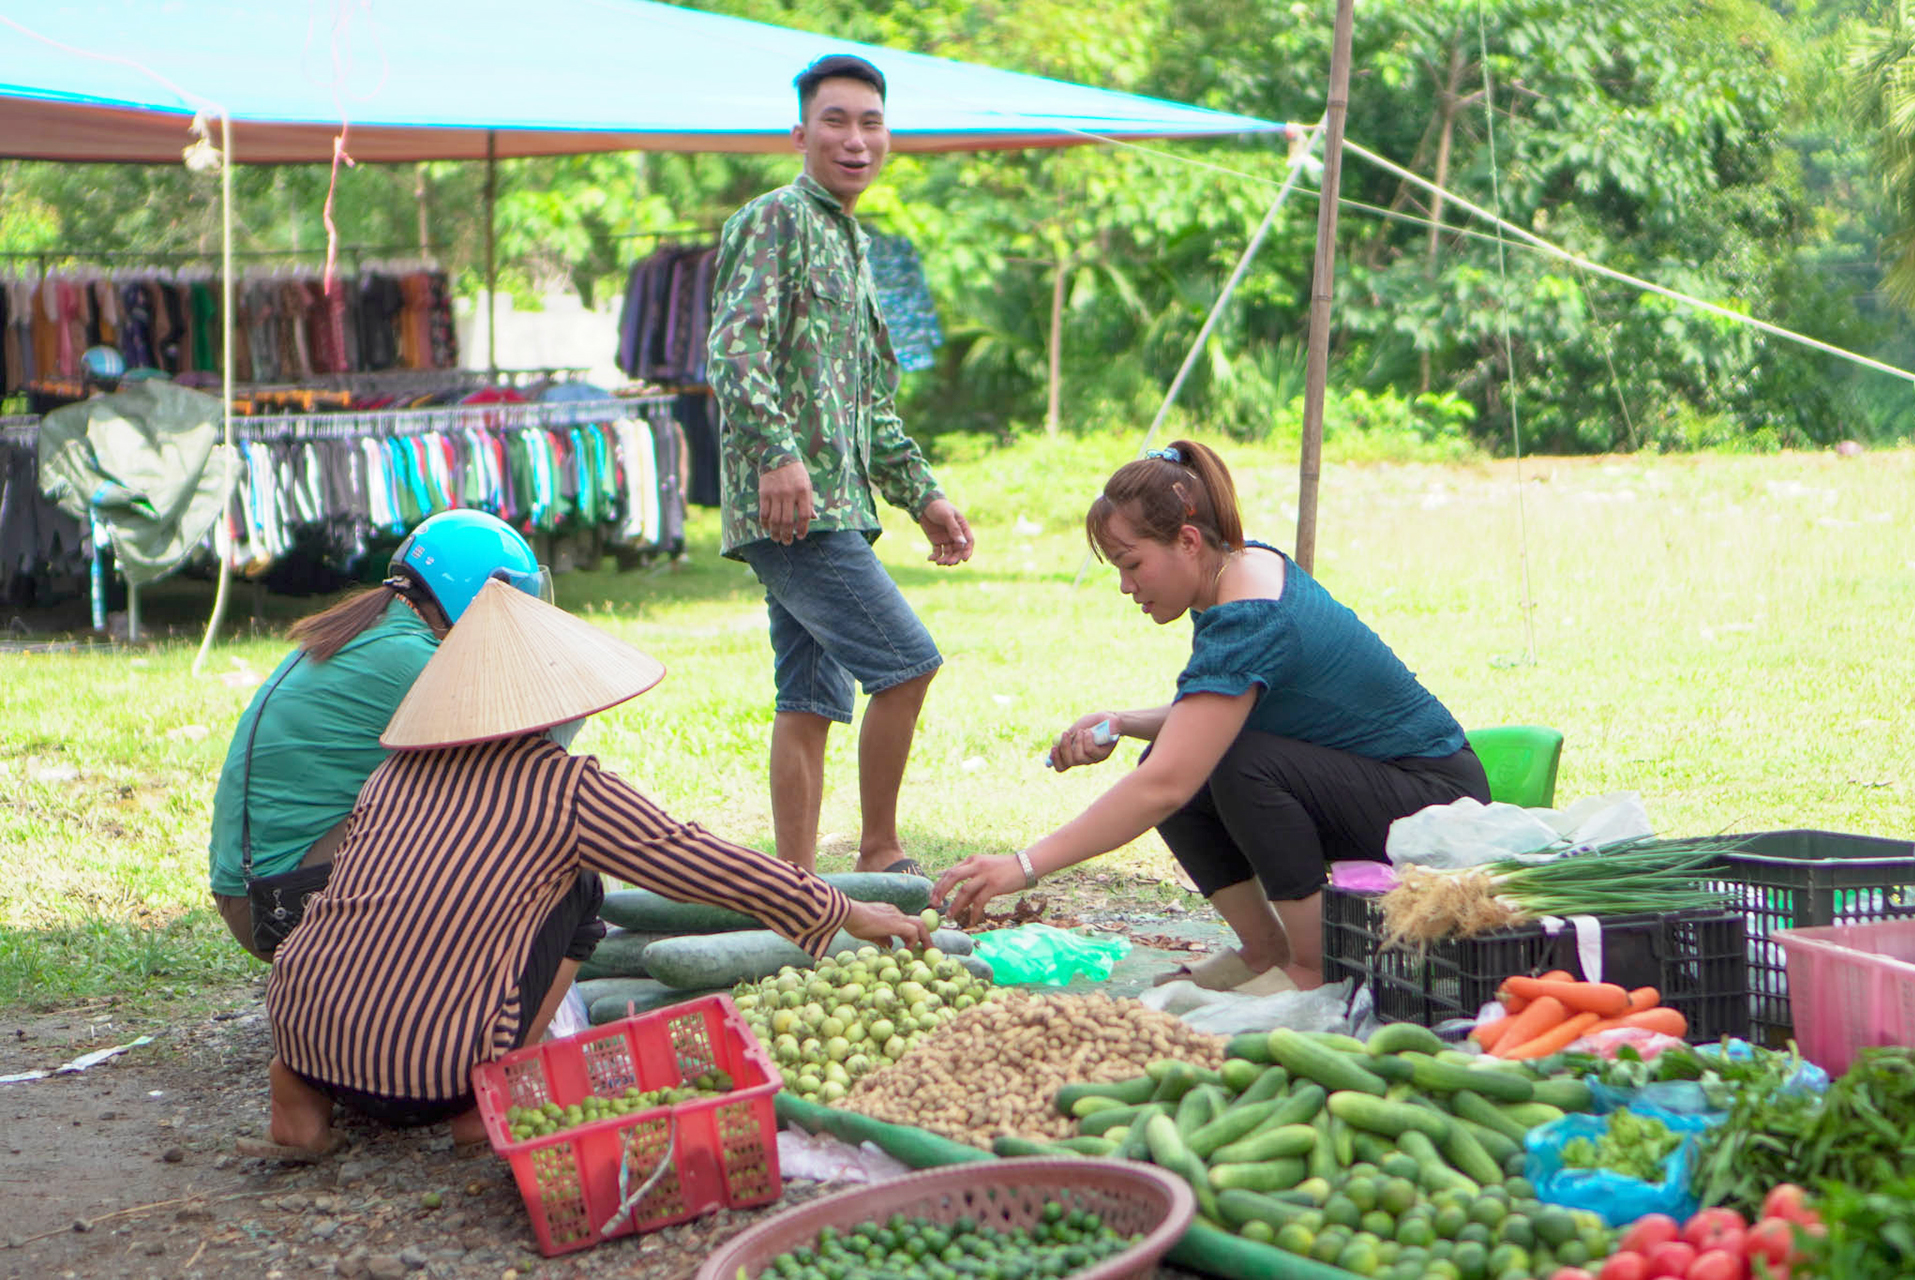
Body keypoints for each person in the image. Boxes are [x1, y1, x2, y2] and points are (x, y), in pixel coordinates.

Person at [254, 579, 930, 1158]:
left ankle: (300, 1102)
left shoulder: (390, 777)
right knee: (581, 892)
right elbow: (699, 862)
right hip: (438, 1074)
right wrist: (840, 909)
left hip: (305, 1031)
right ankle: (487, 1096)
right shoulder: (565, 787)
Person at [934, 440, 1489, 993]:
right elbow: (1214, 715)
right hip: (1385, 786)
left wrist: (1023, 865)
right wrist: (1123, 722)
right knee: (1182, 755)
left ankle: (1314, 965)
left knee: (1229, 766)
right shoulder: (1239, 571)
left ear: (1189, 541)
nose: (1127, 586)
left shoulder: (1249, 617)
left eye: (1132, 564)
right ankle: (1263, 949)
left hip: (1436, 803)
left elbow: (1168, 784)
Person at [706, 53, 975, 878]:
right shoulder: (776, 218)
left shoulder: (851, 242)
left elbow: (869, 403)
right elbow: (733, 346)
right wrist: (777, 455)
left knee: (810, 701)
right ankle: (881, 852)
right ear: (800, 133)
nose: (856, 139)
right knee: (907, 665)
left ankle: (795, 888)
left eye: (871, 122)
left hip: (842, 506)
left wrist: (921, 493)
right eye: (836, 120)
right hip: (798, 511)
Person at [207, 509, 547, 960]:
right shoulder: (412, 659)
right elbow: (518, 777)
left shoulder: (383, 630)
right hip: (277, 904)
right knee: (492, 809)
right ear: (477, 594)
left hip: (259, 891)